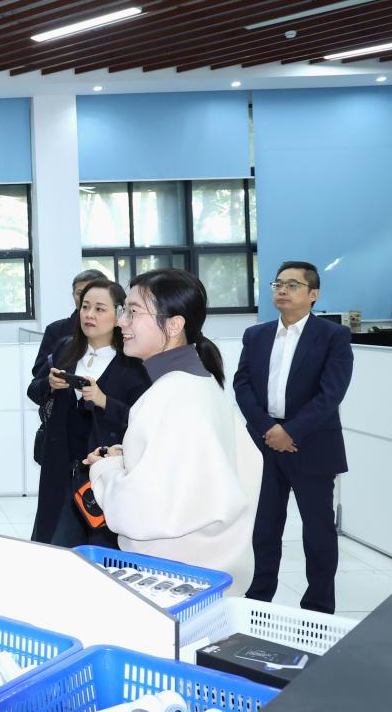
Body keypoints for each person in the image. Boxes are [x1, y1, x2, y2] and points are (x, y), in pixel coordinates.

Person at [85, 269, 262, 593]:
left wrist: (105, 470)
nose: (122, 322)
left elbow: (138, 510)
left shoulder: (169, 395)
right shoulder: (201, 383)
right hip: (210, 572)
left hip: (172, 580)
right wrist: (130, 458)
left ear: (174, 325)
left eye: (133, 312)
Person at [234, 261, 353, 614]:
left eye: (293, 285)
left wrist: (290, 431)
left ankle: (318, 608)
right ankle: (258, 601)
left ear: (314, 294)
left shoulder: (333, 336)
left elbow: (331, 393)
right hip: (264, 443)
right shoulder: (256, 335)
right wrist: (268, 429)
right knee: (263, 529)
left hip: (311, 443)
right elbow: (242, 385)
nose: (282, 290)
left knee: (318, 532)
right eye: (278, 284)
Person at [27, 279, 148, 547]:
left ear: (119, 314)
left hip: (105, 473)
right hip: (60, 469)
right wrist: (49, 384)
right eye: (85, 307)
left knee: (100, 549)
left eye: (100, 309)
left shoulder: (133, 361)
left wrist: (104, 401)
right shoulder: (65, 349)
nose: (89, 315)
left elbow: (144, 420)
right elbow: (33, 391)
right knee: (54, 545)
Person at [30, 269, 106, 385]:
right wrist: (54, 379)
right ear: (73, 295)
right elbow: (39, 371)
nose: (85, 298)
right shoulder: (55, 330)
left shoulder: (117, 330)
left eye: (91, 293)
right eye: (80, 293)